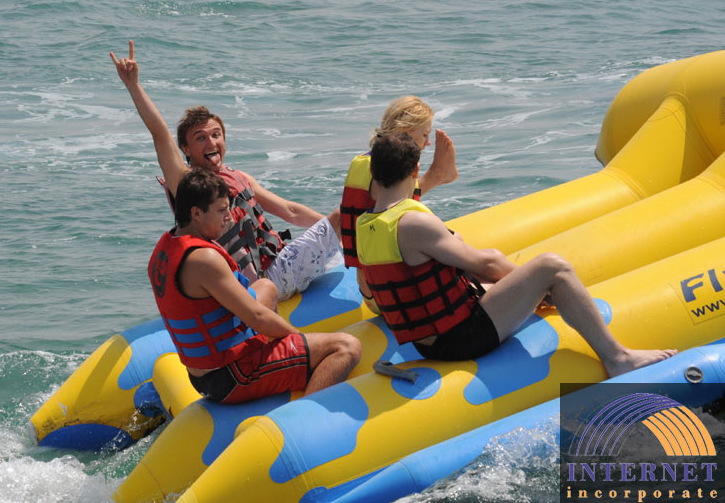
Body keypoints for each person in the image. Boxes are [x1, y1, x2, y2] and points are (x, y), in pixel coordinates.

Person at [355, 132, 675, 377]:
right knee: (553, 267)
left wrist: (522, 290)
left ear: (374, 171)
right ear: (415, 169)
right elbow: (484, 265)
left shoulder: (366, 225)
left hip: (425, 343)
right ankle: (618, 357)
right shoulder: (413, 221)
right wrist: (538, 285)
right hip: (459, 339)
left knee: (506, 271)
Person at [112, 40, 342, 301]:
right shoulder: (189, 186)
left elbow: (289, 211)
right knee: (343, 215)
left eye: (216, 134)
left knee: (336, 229)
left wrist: (335, 234)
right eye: (200, 138)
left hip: (278, 265)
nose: (211, 142)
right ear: (185, 149)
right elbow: (160, 134)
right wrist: (133, 85)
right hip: (260, 285)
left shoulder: (238, 176)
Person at [148, 169, 361, 403]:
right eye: (221, 210)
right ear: (196, 213)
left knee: (266, 286)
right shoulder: (204, 260)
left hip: (202, 374)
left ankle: (285, 362)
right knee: (346, 347)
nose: (229, 217)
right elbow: (258, 317)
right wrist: (302, 342)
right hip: (232, 375)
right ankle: (302, 417)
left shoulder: (166, 249)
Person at [340, 96, 457, 311]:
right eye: (424, 135)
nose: (428, 142)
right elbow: (403, 217)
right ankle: (437, 175)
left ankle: (437, 175)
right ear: (405, 130)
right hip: (390, 297)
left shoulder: (362, 162)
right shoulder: (376, 170)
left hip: (370, 291)